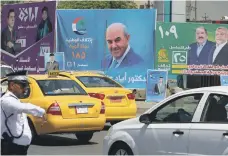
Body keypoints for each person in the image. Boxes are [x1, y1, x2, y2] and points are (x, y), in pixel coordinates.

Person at [1, 70, 46, 155]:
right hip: (11, 147)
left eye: (26, 86)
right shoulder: (6, 100)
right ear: (12, 85)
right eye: (23, 85)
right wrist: (40, 111)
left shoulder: (15, 100)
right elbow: (22, 107)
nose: (25, 89)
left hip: (19, 148)